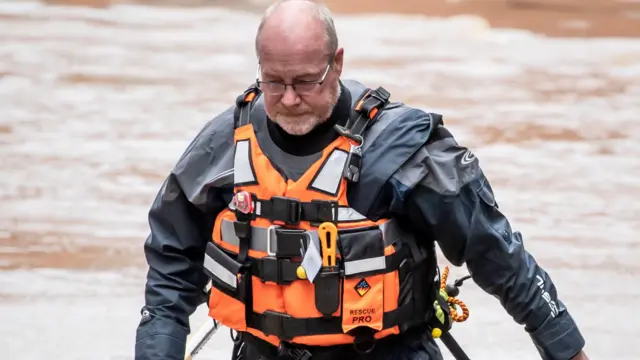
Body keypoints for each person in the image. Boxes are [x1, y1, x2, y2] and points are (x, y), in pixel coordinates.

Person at [134, 1, 590, 359]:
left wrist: (565, 348)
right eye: (273, 82)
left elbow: (497, 254)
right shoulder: (223, 146)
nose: (289, 98)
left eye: (305, 81)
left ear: (337, 62)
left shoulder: (403, 149)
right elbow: (171, 266)